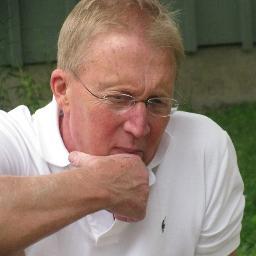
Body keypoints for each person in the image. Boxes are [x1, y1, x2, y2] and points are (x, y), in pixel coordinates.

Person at [0, 0, 244, 255]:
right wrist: (99, 186)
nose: (139, 127)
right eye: (119, 98)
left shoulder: (202, 148)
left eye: (157, 101)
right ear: (63, 90)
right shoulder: (15, 141)